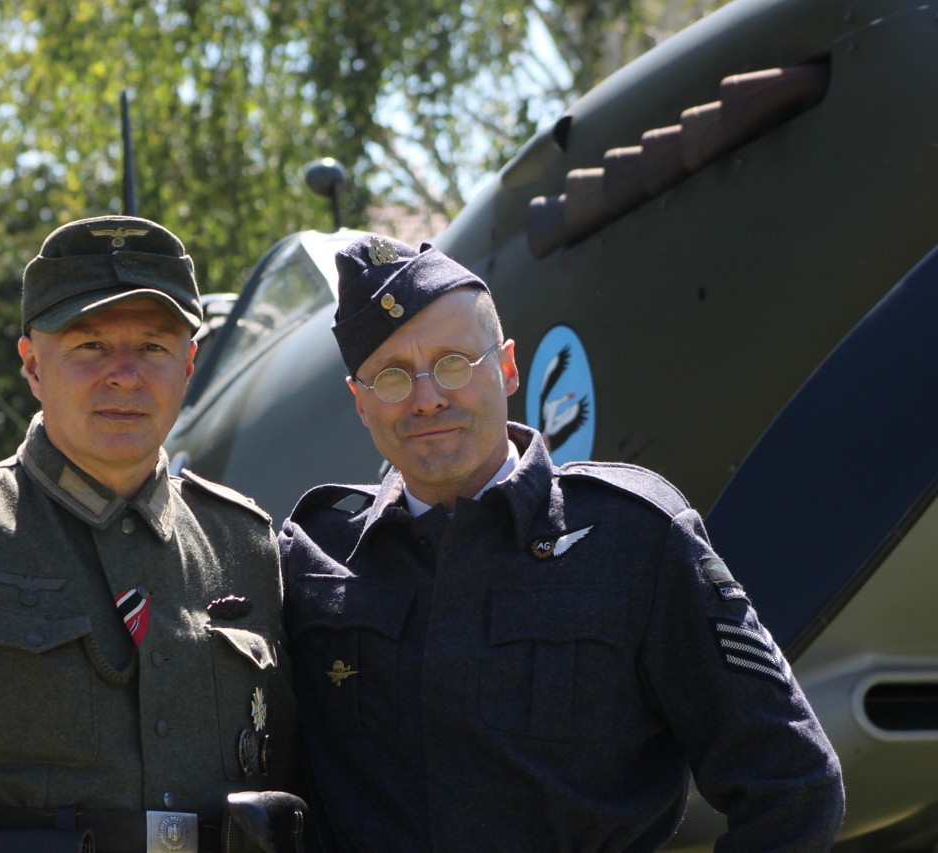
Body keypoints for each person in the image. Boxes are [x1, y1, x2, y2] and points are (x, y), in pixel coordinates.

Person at [278, 233, 845, 851]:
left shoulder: (636, 539)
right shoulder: (312, 559)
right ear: (360, 403)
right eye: (391, 378)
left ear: (507, 368)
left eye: (453, 363)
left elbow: (794, 784)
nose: (428, 398)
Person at [0, 216, 305, 853]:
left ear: (188, 365)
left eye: (153, 347)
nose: (125, 374)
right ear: (33, 365)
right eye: (89, 345)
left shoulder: (243, 545)